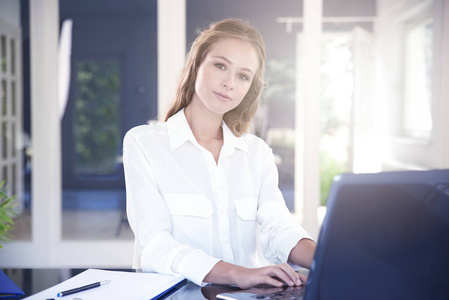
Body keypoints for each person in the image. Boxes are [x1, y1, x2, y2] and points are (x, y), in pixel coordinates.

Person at [123, 18, 316, 289]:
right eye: (220, 65)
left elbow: (279, 227)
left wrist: (330, 261)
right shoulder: (144, 144)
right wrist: (237, 273)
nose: (229, 83)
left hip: (250, 295)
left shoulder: (256, 152)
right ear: (196, 65)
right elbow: (155, 244)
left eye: (243, 76)